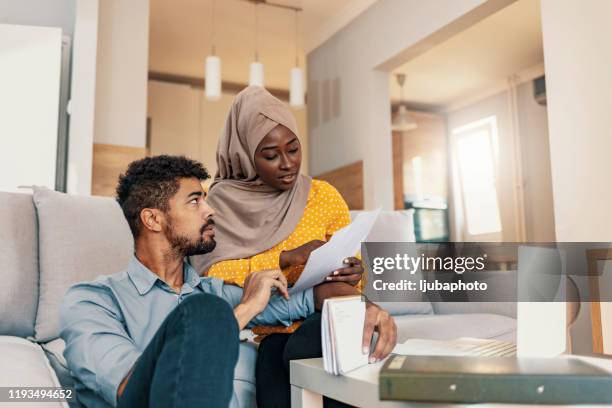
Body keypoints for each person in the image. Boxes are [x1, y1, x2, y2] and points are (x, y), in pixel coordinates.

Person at [60, 155, 396, 408]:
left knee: (295, 336)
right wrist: (245, 310)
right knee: (203, 312)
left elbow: (309, 299)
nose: (210, 211)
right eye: (195, 200)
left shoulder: (214, 290)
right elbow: (128, 390)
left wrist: (365, 305)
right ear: (152, 218)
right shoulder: (92, 300)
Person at [190, 86, 396, 407]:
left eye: (294, 149)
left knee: (301, 347)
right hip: (269, 323)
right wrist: (286, 258)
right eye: (271, 156)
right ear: (245, 154)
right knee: (276, 360)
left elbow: (353, 276)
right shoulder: (218, 203)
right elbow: (213, 274)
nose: (287, 164)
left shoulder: (323, 195)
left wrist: (355, 273)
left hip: (324, 315)